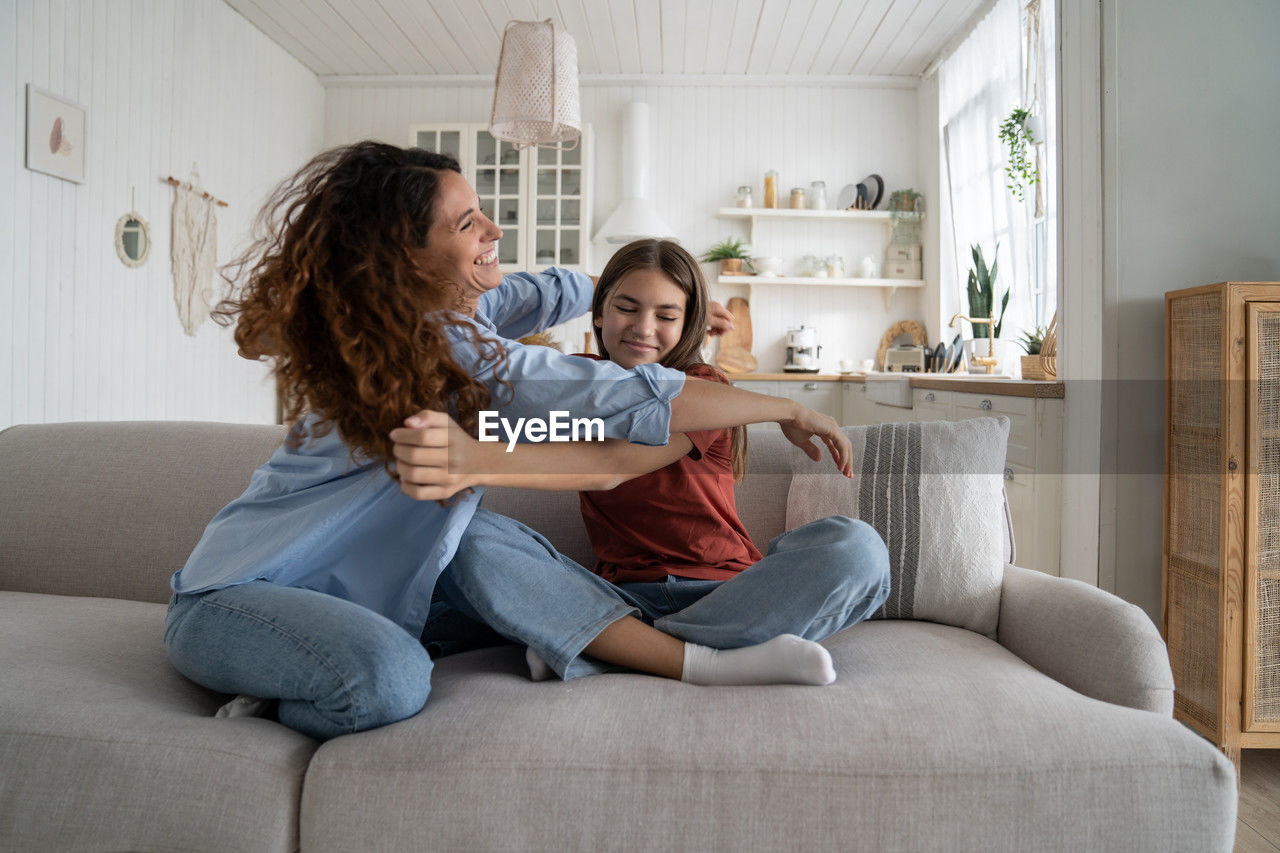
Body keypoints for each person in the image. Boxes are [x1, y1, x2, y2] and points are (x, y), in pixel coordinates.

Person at [164, 141, 853, 741]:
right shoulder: (443, 339)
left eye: (482, 211)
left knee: (458, 590)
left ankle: (609, 644)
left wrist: (638, 295)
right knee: (392, 679)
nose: (493, 228)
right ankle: (295, 682)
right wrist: (784, 404)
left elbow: (549, 290)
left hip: (342, 604)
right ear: (409, 255)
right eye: (468, 223)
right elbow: (611, 400)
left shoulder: (460, 307)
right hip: (239, 597)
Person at [393, 239, 890, 688]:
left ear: (688, 322)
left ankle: (610, 648)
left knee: (858, 548)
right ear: (598, 314)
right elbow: (475, 337)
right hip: (614, 597)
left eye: (667, 316)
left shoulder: (704, 389)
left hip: (726, 592)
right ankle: (669, 652)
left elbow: (612, 464)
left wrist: (791, 407)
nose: (643, 328)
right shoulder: (578, 385)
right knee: (467, 539)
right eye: (625, 307)